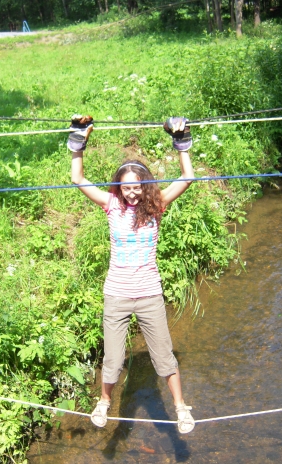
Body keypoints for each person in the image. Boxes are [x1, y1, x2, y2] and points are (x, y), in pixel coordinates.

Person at [68, 114, 196, 434]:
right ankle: (104, 401)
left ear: (145, 186)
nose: (131, 194)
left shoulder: (157, 205)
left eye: (137, 188)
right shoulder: (111, 205)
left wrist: (181, 141)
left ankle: (181, 408)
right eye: (126, 188)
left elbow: (188, 177)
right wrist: (78, 143)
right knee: (113, 358)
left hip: (149, 293)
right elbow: (78, 179)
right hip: (117, 295)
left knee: (164, 357)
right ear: (119, 187)